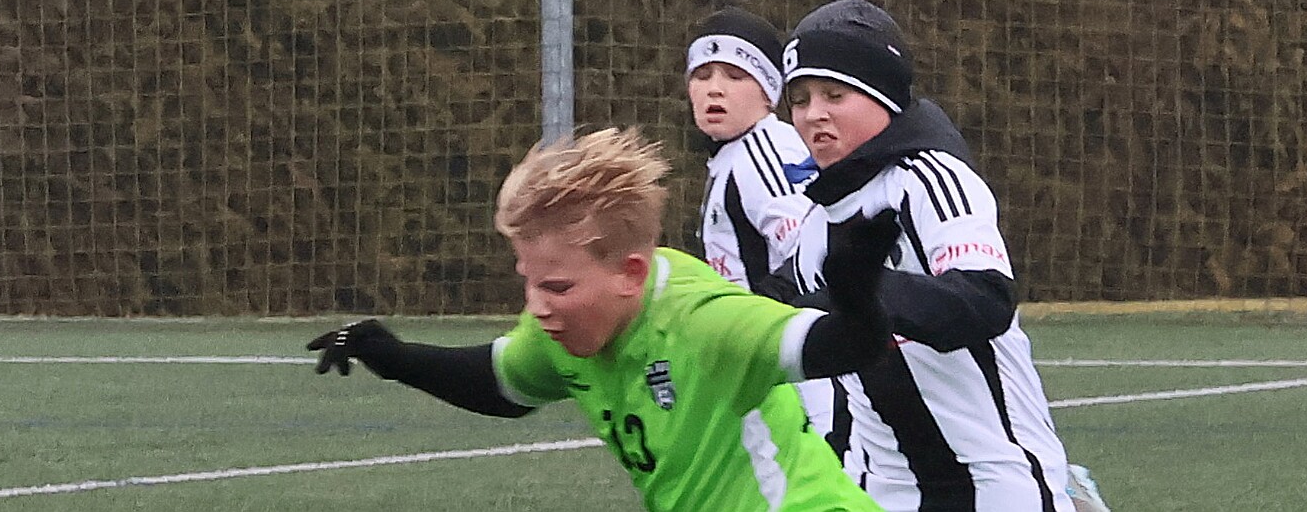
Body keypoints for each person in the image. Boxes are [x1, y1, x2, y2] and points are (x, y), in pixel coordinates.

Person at [306, 128, 900, 512]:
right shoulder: (562, 324)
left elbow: (850, 344)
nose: (538, 306)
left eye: (556, 287)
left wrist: (854, 291)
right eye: (528, 281)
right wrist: (393, 356)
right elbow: (502, 383)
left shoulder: (703, 322)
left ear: (631, 274)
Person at [769, 0, 1110, 512]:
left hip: (996, 484)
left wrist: (864, 291)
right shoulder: (815, 225)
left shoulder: (930, 180)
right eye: (799, 99)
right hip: (881, 492)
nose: (813, 113)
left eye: (835, 94)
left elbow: (984, 299)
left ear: (882, 95)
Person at [683, 6, 838, 448]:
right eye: (702, 75)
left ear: (769, 91)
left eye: (735, 75)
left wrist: (752, 317)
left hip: (798, 377)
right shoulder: (735, 154)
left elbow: (815, 253)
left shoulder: (764, 153)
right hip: (769, 367)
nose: (714, 88)